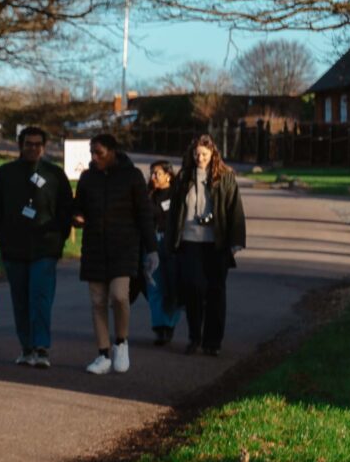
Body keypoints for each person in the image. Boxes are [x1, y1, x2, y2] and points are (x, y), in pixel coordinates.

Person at [0, 126, 74, 368]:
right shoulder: (5, 174)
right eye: (29, 144)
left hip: (45, 249)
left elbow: (66, 209)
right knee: (21, 300)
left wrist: (58, 239)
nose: (33, 148)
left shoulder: (55, 175)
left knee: (41, 298)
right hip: (14, 249)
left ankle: (42, 347)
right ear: (20, 145)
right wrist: (1, 235)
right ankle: (26, 347)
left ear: (44, 147)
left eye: (38, 144)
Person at [74, 132, 156, 376]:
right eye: (91, 153)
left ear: (112, 151)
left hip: (124, 247)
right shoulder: (87, 178)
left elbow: (144, 213)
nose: (94, 157)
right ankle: (102, 353)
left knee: (120, 296)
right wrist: (76, 217)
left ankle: (121, 341)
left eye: (98, 152)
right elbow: (78, 206)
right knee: (97, 301)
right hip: (94, 247)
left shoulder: (132, 177)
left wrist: (152, 248)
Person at [167, 132, 247, 357]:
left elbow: (235, 210)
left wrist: (236, 241)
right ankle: (194, 337)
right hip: (189, 241)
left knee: (215, 292)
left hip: (216, 243)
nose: (200, 158)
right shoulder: (184, 177)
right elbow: (175, 212)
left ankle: (213, 341)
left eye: (204, 154)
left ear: (213, 154)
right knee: (192, 288)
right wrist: (171, 241)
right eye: (197, 154)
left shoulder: (225, 177)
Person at [146, 160, 183, 345]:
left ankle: (169, 324)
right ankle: (159, 327)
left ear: (168, 175)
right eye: (151, 173)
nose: (153, 177)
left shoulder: (177, 195)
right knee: (154, 286)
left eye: (157, 174)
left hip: (172, 244)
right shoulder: (148, 195)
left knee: (173, 286)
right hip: (152, 244)